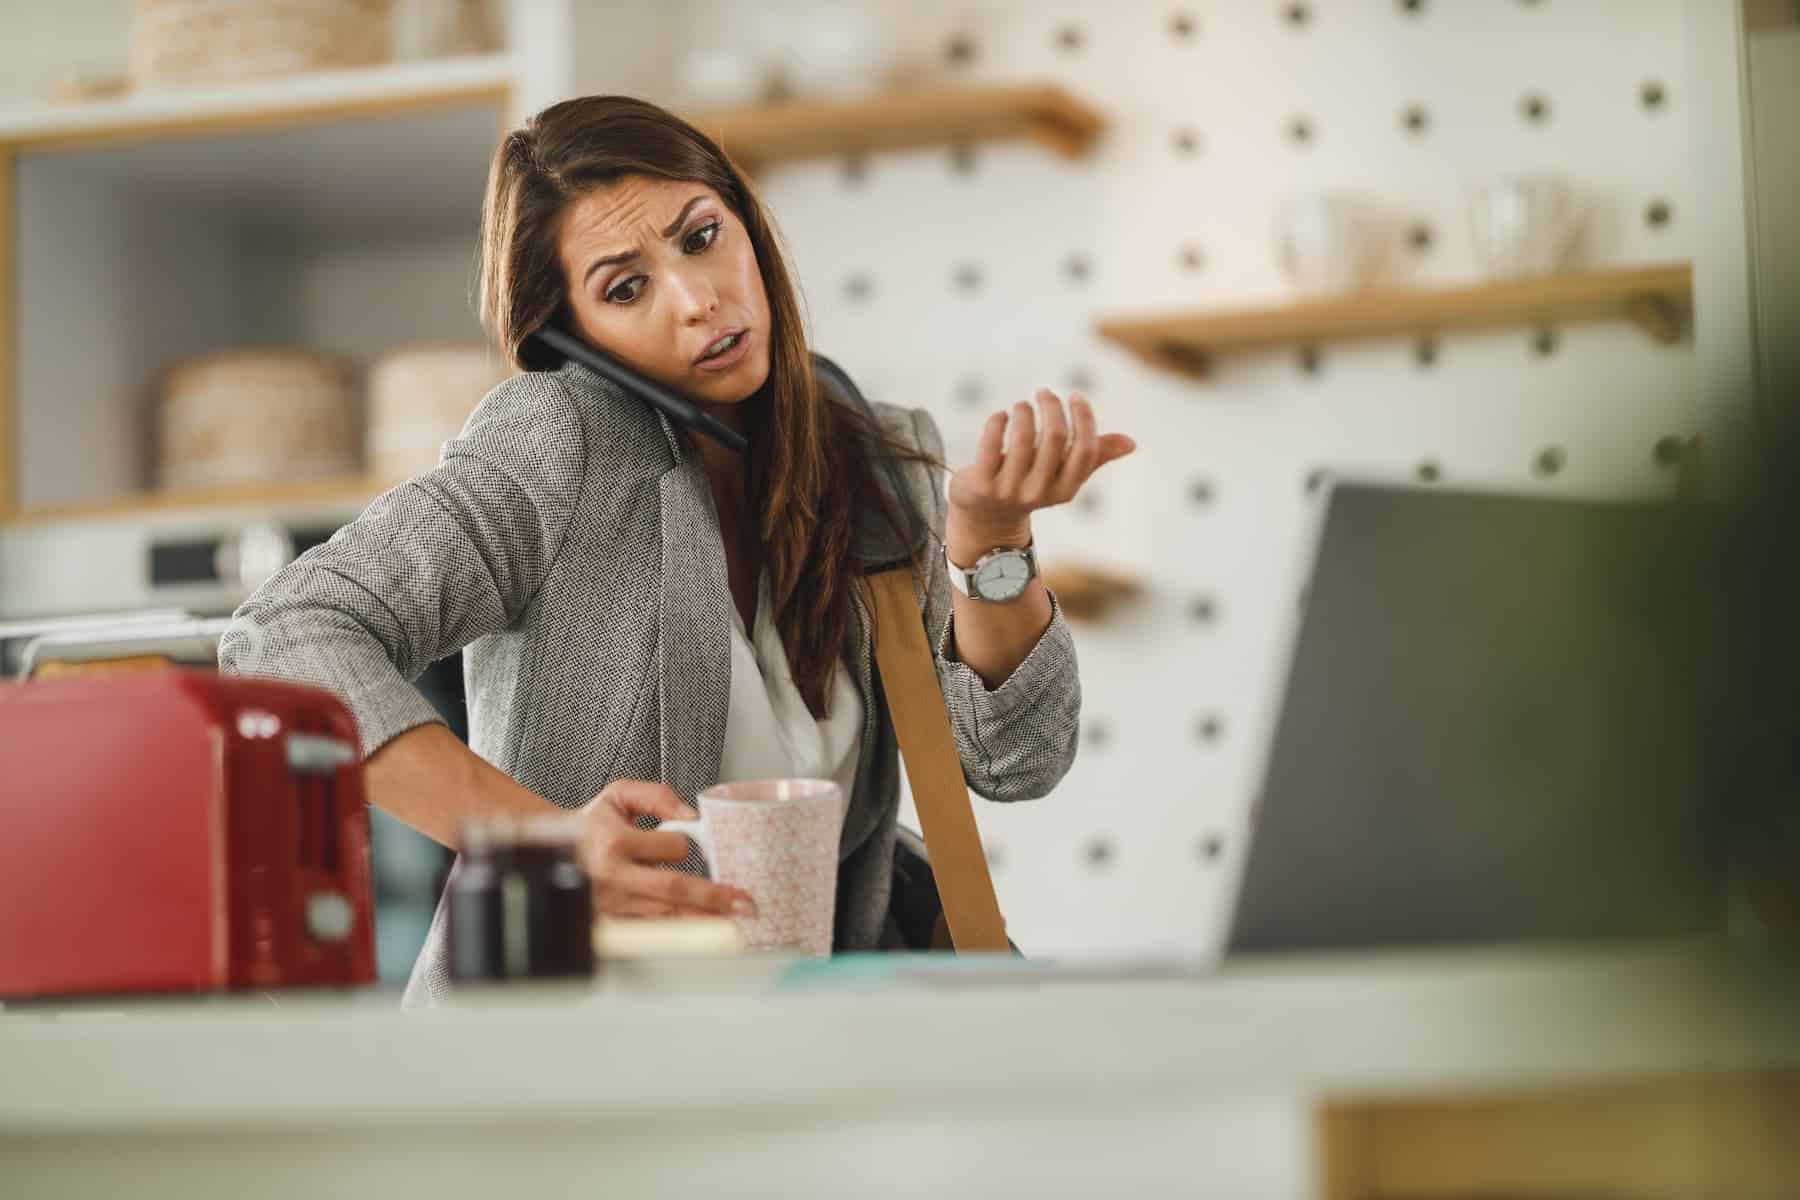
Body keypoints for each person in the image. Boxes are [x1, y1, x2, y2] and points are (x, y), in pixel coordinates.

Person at [218, 95, 1135, 1004]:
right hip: (565, 1062)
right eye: (627, 288)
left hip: (801, 1071)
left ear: (746, 221)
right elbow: (282, 639)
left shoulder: (882, 459)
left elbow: (1016, 762)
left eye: (701, 237)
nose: (698, 301)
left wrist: (994, 543)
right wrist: (538, 845)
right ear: (574, 338)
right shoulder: (560, 441)